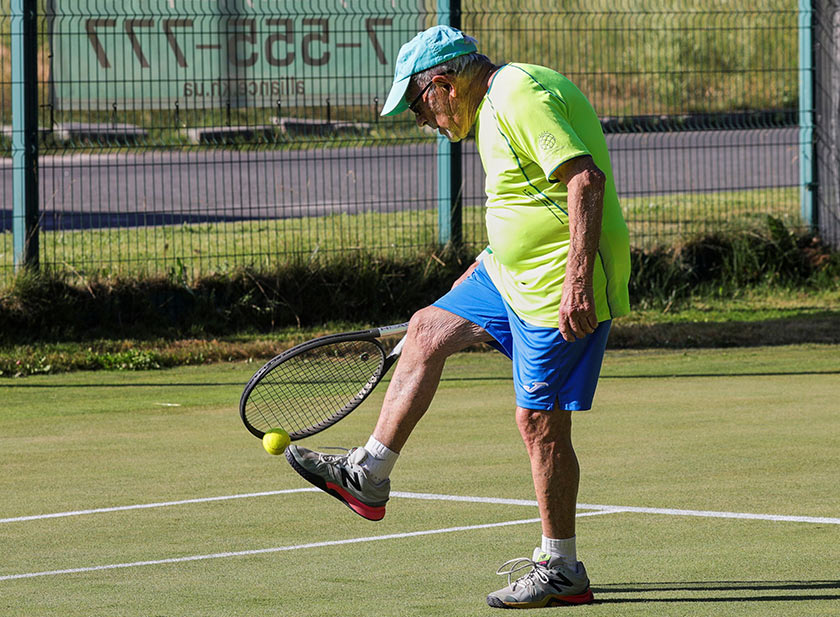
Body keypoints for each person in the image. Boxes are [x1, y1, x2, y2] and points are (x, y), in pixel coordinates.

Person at [285, 25, 631, 609]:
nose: (426, 122)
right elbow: (525, 202)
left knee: (539, 422)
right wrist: (482, 268)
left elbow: (583, 180)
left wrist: (576, 284)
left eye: (421, 107)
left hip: (555, 284)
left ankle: (562, 566)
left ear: (443, 85)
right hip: (508, 274)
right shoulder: (495, 106)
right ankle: (369, 476)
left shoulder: (516, 95)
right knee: (426, 327)